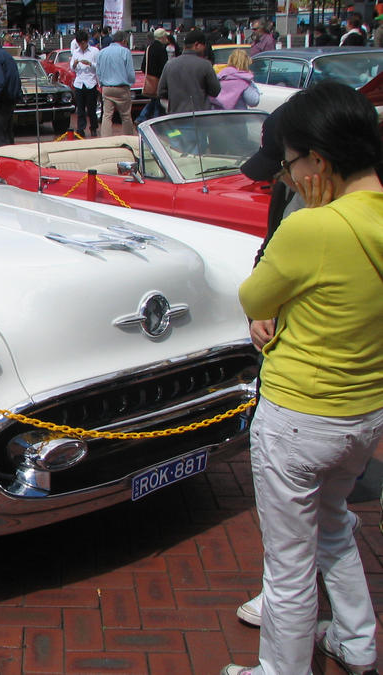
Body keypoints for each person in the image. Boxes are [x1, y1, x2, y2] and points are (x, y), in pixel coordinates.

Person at [223, 81, 383, 675]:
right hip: (364, 416)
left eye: (289, 164)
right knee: (336, 524)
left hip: (298, 419)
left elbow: (253, 294)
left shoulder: (312, 228)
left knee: (289, 565)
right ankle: (358, 642)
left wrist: (315, 216)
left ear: (319, 159)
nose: (285, 177)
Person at [157, 30, 220, 114]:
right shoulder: (205, 65)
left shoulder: (169, 65)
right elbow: (215, 91)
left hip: (175, 117)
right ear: (197, 45)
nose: (205, 49)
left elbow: (161, 92)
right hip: (200, 117)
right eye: (204, 45)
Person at [95, 30, 135, 136]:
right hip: (122, 87)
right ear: (123, 41)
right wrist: (130, 83)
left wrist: (102, 84)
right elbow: (130, 73)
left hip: (107, 88)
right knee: (126, 116)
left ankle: (106, 140)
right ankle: (128, 138)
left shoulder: (102, 52)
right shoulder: (125, 52)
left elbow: (98, 72)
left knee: (107, 116)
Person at [136, 27, 169, 123]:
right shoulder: (162, 49)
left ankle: (142, 117)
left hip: (150, 79)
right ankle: (148, 118)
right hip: (159, 79)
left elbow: (143, 66)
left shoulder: (149, 48)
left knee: (155, 100)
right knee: (158, 101)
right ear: (162, 37)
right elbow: (164, 66)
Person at [70, 30, 99, 137]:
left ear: (86, 41)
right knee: (80, 109)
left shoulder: (94, 51)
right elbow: (72, 68)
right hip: (79, 83)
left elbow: (99, 66)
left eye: (82, 43)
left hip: (90, 82)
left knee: (91, 108)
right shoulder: (76, 52)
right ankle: (81, 129)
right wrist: (75, 64)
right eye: (79, 43)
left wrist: (90, 64)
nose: (81, 46)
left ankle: (94, 127)